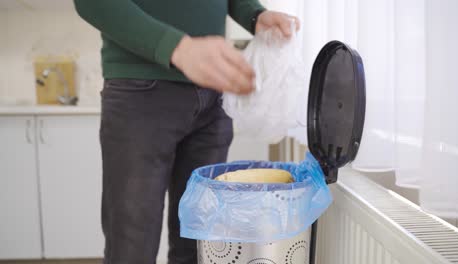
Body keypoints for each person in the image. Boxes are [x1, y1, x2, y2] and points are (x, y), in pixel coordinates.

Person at [73, 1, 299, 263]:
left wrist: (254, 15)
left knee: (198, 245)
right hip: (141, 96)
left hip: (214, 96)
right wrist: (178, 47)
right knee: (132, 247)